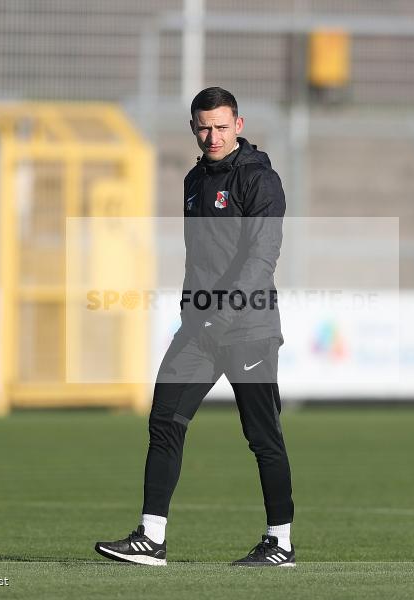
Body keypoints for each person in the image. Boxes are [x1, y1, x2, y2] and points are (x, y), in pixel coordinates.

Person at [94, 87, 295, 567]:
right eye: (203, 126)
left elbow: (260, 259)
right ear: (192, 128)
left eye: (221, 126)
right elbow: (201, 258)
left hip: (247, 328)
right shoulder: (193, 179)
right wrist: (192, 311)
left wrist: (220, 314)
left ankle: (280, 543)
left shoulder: (260, 181)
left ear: (239, 126)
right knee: (165, 417)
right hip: (200, 328)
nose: (212, 135)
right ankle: (151, 537)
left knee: (262, 435)